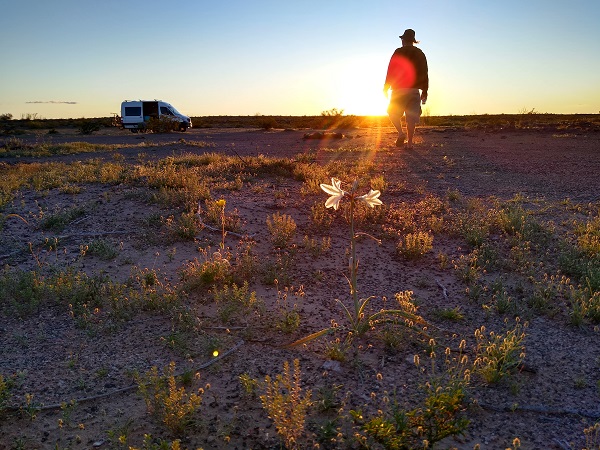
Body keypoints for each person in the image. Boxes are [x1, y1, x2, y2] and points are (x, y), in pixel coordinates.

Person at [383, 29, 429, 149]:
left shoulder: (398, 52)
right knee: (411, 118)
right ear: (413, 41)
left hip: (399, 89)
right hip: (414, 90)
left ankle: (400, 133)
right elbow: (425, 73)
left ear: (403, 40)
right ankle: (409, 143)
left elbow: (391, 69)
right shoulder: (420, 53)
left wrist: (386, 87)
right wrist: (425, 90)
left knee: (392, 113)